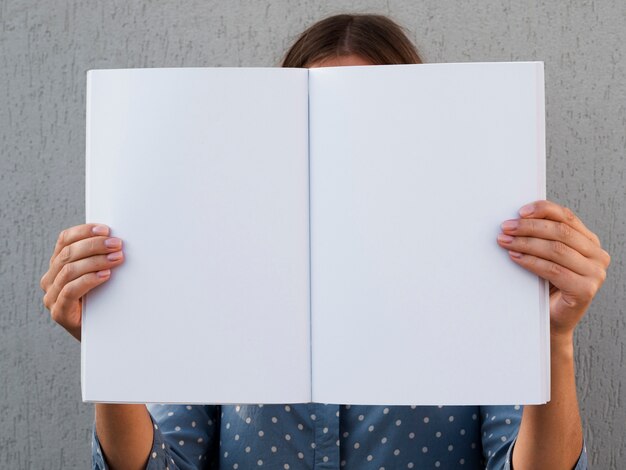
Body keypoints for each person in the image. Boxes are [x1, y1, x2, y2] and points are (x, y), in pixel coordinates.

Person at [40, 13, 610, 470]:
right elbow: (163, 463)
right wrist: (112, 351)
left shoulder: (478, 277)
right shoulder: (223, 269)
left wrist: (555, 337)